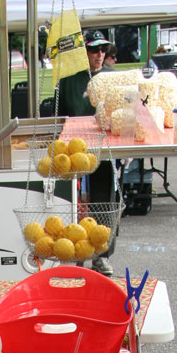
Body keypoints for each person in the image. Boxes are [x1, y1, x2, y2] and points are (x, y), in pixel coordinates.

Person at [54, 28, 118, 276]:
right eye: (94, 50)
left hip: (103, 148)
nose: (100, 54)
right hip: (72, 151)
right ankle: (69, 251)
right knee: (71, 201)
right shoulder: (69, 79)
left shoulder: (112, 78)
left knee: (104, 202)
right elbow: (57, 114)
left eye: (103, 50)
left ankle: (101, 255)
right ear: (84, 52)